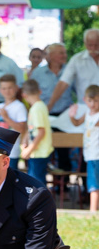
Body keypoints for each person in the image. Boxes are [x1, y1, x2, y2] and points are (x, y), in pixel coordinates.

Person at [35, 43, 74, 171]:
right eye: (61, 53)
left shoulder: (70, 70)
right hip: (44, 115)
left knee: (64, 151)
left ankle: (65, 184)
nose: (65, 55)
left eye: (65, 52)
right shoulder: (38, 73)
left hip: (65, 115)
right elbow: (30, 92)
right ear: (50, 56)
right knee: (44, 149)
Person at [49, 29, 99, 112]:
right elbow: (63, 83)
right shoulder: (77, 60)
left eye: (96, 45)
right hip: (86, 109)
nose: (93, 48)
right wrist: (50, 105)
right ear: (85, 43)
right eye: (90, 45)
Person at [70, 85, 99, 212]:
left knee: (94, 185)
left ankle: (93, 211)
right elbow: (77, 122)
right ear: (85, 100)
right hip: (90, 153)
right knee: (92, 183)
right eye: (90, 101)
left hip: (96, 154)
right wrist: (72, 115)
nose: (92, 104)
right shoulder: (87, 113)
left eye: (96, 101)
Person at [19, 79, 54, 183]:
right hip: (37, 152)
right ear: (40, 91)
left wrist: (29, 149)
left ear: (24, 95)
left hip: (40, 152)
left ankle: (40, 200)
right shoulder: (38, 106)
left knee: (36, 183)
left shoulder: (37, 109)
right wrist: (24, 141)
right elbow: (31, 129)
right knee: (35, 180)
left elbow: (41, 132)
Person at [0, 74, 28, 170]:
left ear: (16, 88)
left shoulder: (19, 106)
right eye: (4, 88)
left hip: (12, 151)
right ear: (0, 90)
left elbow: (22, 129)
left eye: (10, 88)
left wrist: (6, 117)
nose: (7, 91)